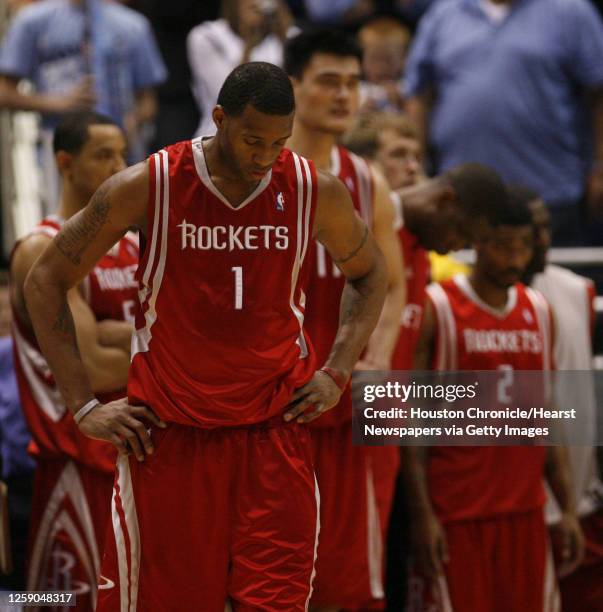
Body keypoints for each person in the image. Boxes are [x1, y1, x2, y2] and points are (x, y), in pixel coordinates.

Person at [24, 62, 388, 611]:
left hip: (273, 440)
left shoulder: (314, 189)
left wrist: (337, 371)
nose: (264, 157)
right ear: (219, 119)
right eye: (251, 140)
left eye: (277, 142)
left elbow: (370, 273)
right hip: (171, 441)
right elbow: (45, 279)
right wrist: (80, 406)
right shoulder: (154, 182)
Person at [404, 192, 584, 611]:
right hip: (456, 515)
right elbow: (408, 419)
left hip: (524, 511)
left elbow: (546, 417)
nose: (515, 258)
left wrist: (568, 507)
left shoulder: (539, 311)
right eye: (504, 247)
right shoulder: (439, 307)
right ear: (479, 241)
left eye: (524, 247)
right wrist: (421, 513)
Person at [285, 29, 405, 611]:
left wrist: (374, 360)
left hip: (342, 397)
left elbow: (395, 283)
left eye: (353, 83)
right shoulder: (256, 175)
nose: (343, 96)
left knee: (344, 578)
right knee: (269, 575)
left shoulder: (368, 181)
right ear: (292, 87)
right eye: (328, 81)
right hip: (270, 402)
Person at [9, 111, 138, 610]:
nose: (120, 166)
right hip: (80, 456)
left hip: (347, 407)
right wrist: (177, 357)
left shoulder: (134, 244)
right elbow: (94, 369)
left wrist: (122, 337)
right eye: (104, 155)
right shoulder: (44, 247)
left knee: (350, 582)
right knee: (68, 604)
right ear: (64, 163)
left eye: (124, 153)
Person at [404, 0, 603, 246]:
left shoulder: (570, 11)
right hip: (461, 200)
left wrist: (600, 168)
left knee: (555, 282)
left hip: (551, 194)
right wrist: (416, 163)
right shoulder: (445, 13)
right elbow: (418, 95)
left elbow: (598, 94)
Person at [516, 184, 603, 612]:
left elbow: (585, 393)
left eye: (547, 228)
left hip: (581, 500)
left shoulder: (577, 290)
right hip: (513, 508)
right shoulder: (454, 301)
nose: (543, 240)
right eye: (532, 230)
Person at [0, 0, 167, 208]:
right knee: (66, 226)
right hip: (62, 149)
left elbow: (148, 101)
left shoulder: (132, 25)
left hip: (119, 150)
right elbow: (4, 93)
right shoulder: (32, 21)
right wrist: (59, 104)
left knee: (123, 225)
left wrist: (133, 122)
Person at [187, 0, 293, 137]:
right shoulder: (206, 36)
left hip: (278, 136)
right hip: (220, 134)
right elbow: (228, 97)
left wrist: (283, 33)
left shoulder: (288, 36)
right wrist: (249, 42)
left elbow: (298, 86)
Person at [357, 17, 411, 116]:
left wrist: (403, 104)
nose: (381, 66)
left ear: (404, 59)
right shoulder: (356, 91)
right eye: (374, 59)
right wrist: (360, 113)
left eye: (388, 60)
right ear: (361, 59)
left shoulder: (407, 89)